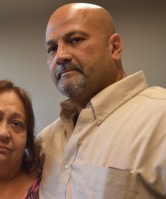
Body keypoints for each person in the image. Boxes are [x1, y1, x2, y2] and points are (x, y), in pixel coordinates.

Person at [39, 2, 166, 199]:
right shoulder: (45, 141)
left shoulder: (161, 118)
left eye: (75, 40)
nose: (60, 56)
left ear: (114, 47)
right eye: (52, 49)